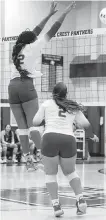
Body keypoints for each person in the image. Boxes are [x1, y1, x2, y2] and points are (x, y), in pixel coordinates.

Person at [8, 1, 76, 170]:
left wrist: (48, 14)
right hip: (25, 87)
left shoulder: (18, 47)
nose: (37, 36)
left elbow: (35, 31)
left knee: (22, 129)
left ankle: (28, 161)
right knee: (34, 127)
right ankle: (46, 157)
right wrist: (64, 13)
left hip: (11, 87)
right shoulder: (34, 47)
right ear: (33, 40)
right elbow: (52, 30)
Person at [33, 82, 99, 217]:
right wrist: (92, 136)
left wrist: (47, 120)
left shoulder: (46, 104)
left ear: (53, 93)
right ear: (66, 94)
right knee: (70, 172)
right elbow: (86, 124)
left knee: (50, 174)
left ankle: (56, 206)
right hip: (68, 139)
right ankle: (80, 199)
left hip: (50, 138)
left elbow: (35, 121)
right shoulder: (73, 106)